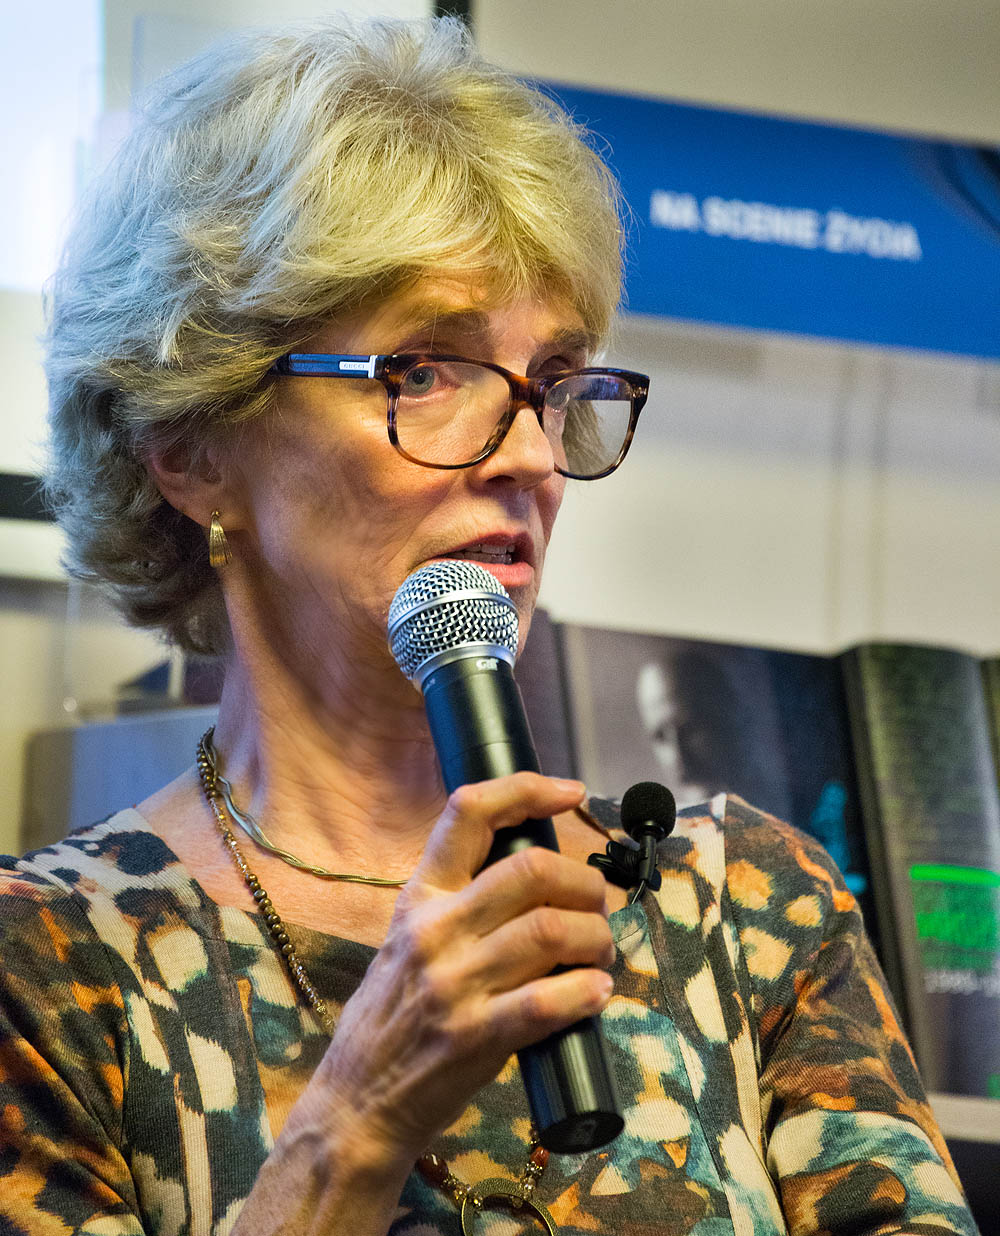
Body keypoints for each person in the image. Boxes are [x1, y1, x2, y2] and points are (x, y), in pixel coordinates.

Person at [0, 16, 978, 1236]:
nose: (530, 457)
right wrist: (356, 1122)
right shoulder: (48, 963)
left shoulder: (744, 907)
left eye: (553, 383)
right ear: (192, 447)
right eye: (424, 370)